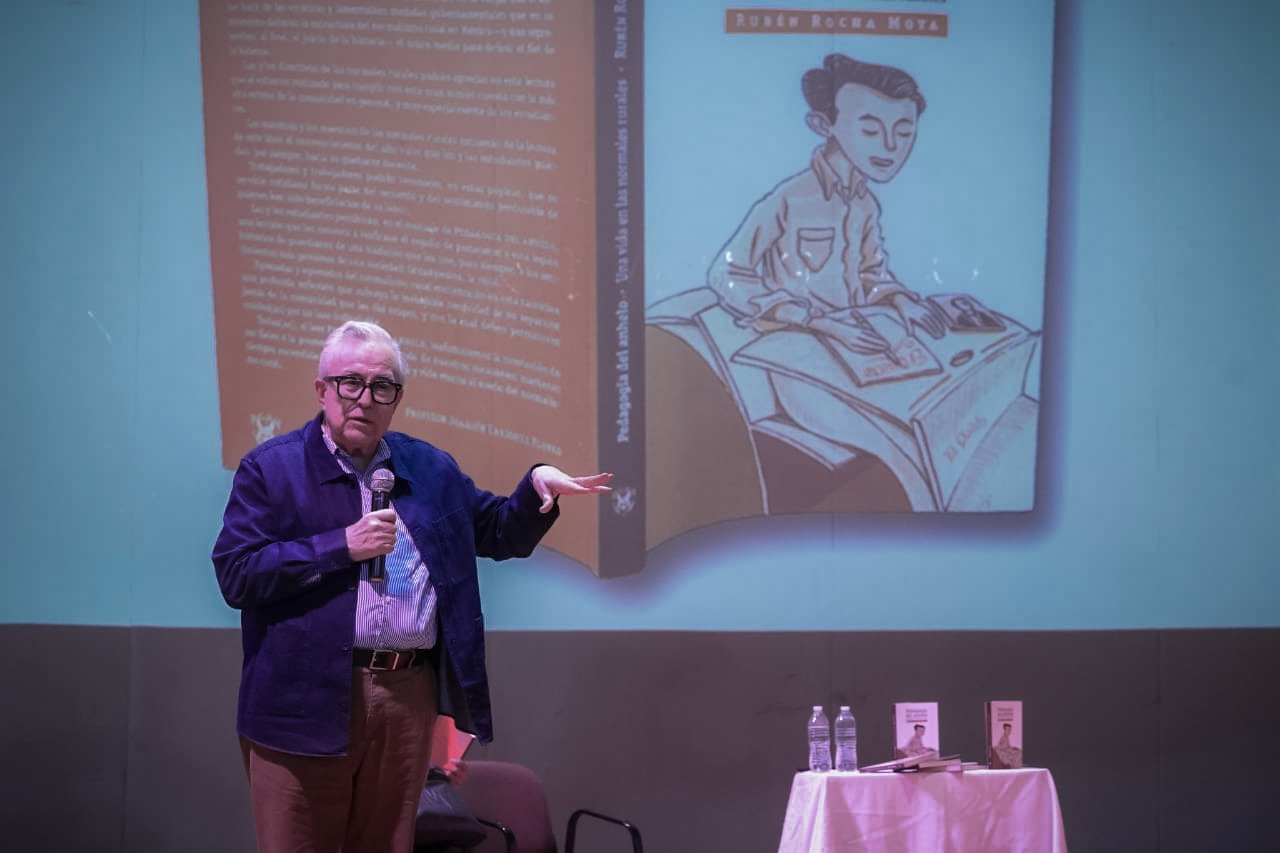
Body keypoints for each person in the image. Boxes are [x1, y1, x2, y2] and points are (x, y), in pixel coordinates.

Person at [211, 320, 612, 852]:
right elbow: (237, 572)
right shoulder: (272, 469)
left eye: (382, 387)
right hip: (302, 698)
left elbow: (496, 531)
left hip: (405, 697)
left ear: (397, 399)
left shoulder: (430, 469)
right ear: (322, 390)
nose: (365, 399)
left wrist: (537, 487)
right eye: (350, 384)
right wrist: (341, 545)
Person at [706, 52, 946, 357]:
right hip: (795, 345)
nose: (890, 146)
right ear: (822, 125)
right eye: (870, 131)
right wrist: (812, 320)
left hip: (856, 341)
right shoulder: (789, 199)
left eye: (904, 132)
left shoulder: (866, 204)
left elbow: (871, 272)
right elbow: (726, 272)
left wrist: (902, 301)